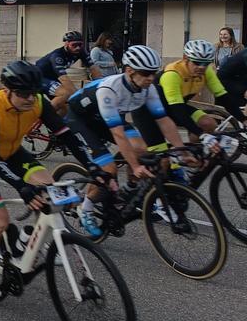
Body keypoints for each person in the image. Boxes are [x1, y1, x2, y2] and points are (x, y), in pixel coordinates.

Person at [0, 61, 96, 296]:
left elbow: (66, 135)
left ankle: (25, 239)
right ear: (7, 90)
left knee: (50, 189)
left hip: (11, 151)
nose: (30, 99)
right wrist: (21, 186)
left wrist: (93, 167)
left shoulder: (38, 102)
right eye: (23, 94)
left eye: (34, 93)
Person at [65, 45, 191, 236]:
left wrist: (181, 151)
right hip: (81, 120)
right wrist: (135, 165)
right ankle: (86, 208)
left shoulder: (148, 88)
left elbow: (164, 121)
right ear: (129, 70)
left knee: (143, 149)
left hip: (107, 119)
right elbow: (118, 134)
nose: (151, 78)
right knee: (109, 170)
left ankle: (130, 189)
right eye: (146, 73)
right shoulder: (109, 89)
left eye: (154, 73)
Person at [153, 39, 243, 138]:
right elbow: (177, 110)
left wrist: (243, 119)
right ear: (185, 58)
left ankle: (197, 153)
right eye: (196, 62)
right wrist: (201, 134)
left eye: (206, 63)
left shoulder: (206, 71)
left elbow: (222, 96)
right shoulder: (172, 74)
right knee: (173, 144)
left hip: (177, 106)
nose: (201, 67)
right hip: (156, 109)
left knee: (208, 124)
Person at [36, 30, 101, 114]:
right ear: (66, 44)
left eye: (80, 44)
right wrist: (78, 96)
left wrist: (100, 87)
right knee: (66, 94)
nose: (78, 47)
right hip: (40, 78)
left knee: (65, 108)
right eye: (74, 45)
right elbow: (65, 79)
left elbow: (94, 69)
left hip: (52, 78)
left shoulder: (81, 52)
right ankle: (44, 116)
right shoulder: (57, 56)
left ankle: (58, 125)